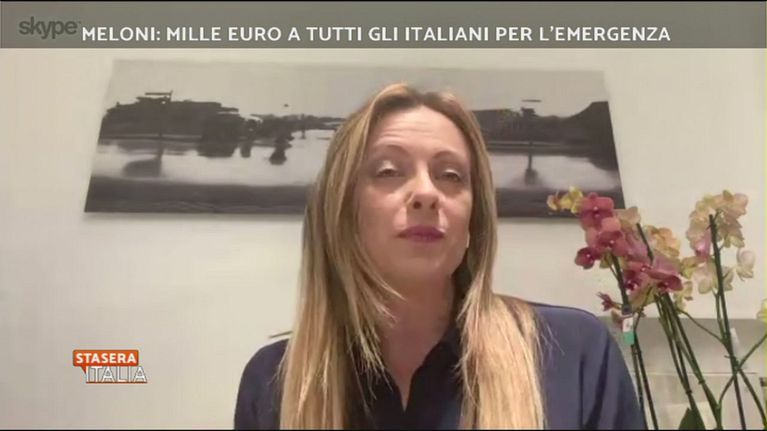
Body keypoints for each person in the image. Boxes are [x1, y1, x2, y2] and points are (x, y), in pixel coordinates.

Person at [234, 83, 645, 429]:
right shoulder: (275, 383)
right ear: (342, 209)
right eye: (388, 171)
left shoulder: (573, 355)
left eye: (450, 176)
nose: (427, 193)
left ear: (472, 220)